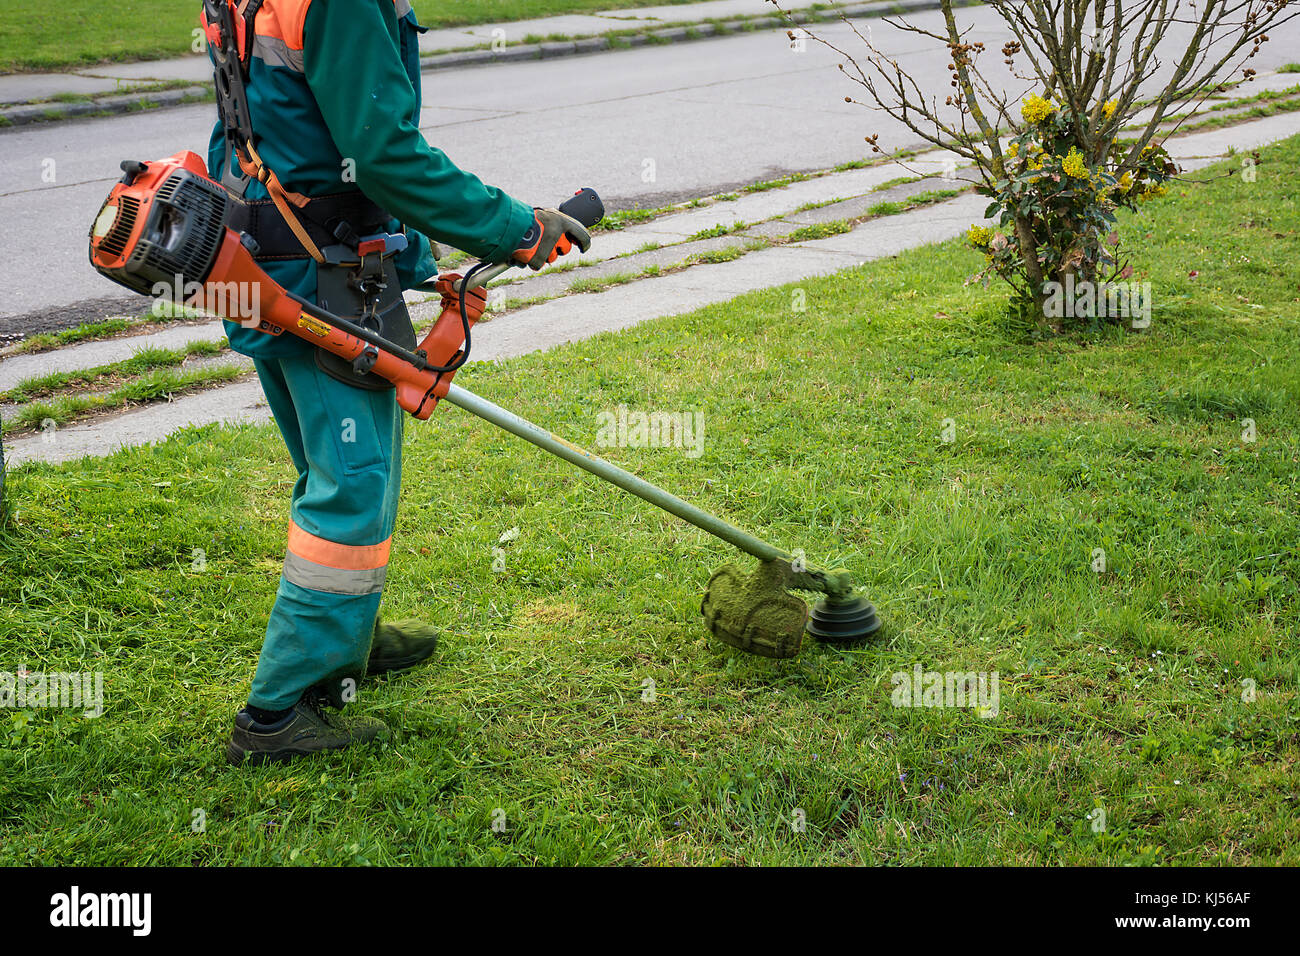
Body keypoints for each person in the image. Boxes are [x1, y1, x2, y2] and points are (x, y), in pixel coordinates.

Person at [205, 0, 589, 765]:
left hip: (260, 257)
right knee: (350, 486)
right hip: (319, 279)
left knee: (326, 467)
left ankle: (343, 638)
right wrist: (516, 227)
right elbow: (382, 153)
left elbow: (258, 133)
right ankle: (278, 714)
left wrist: (407, 256)